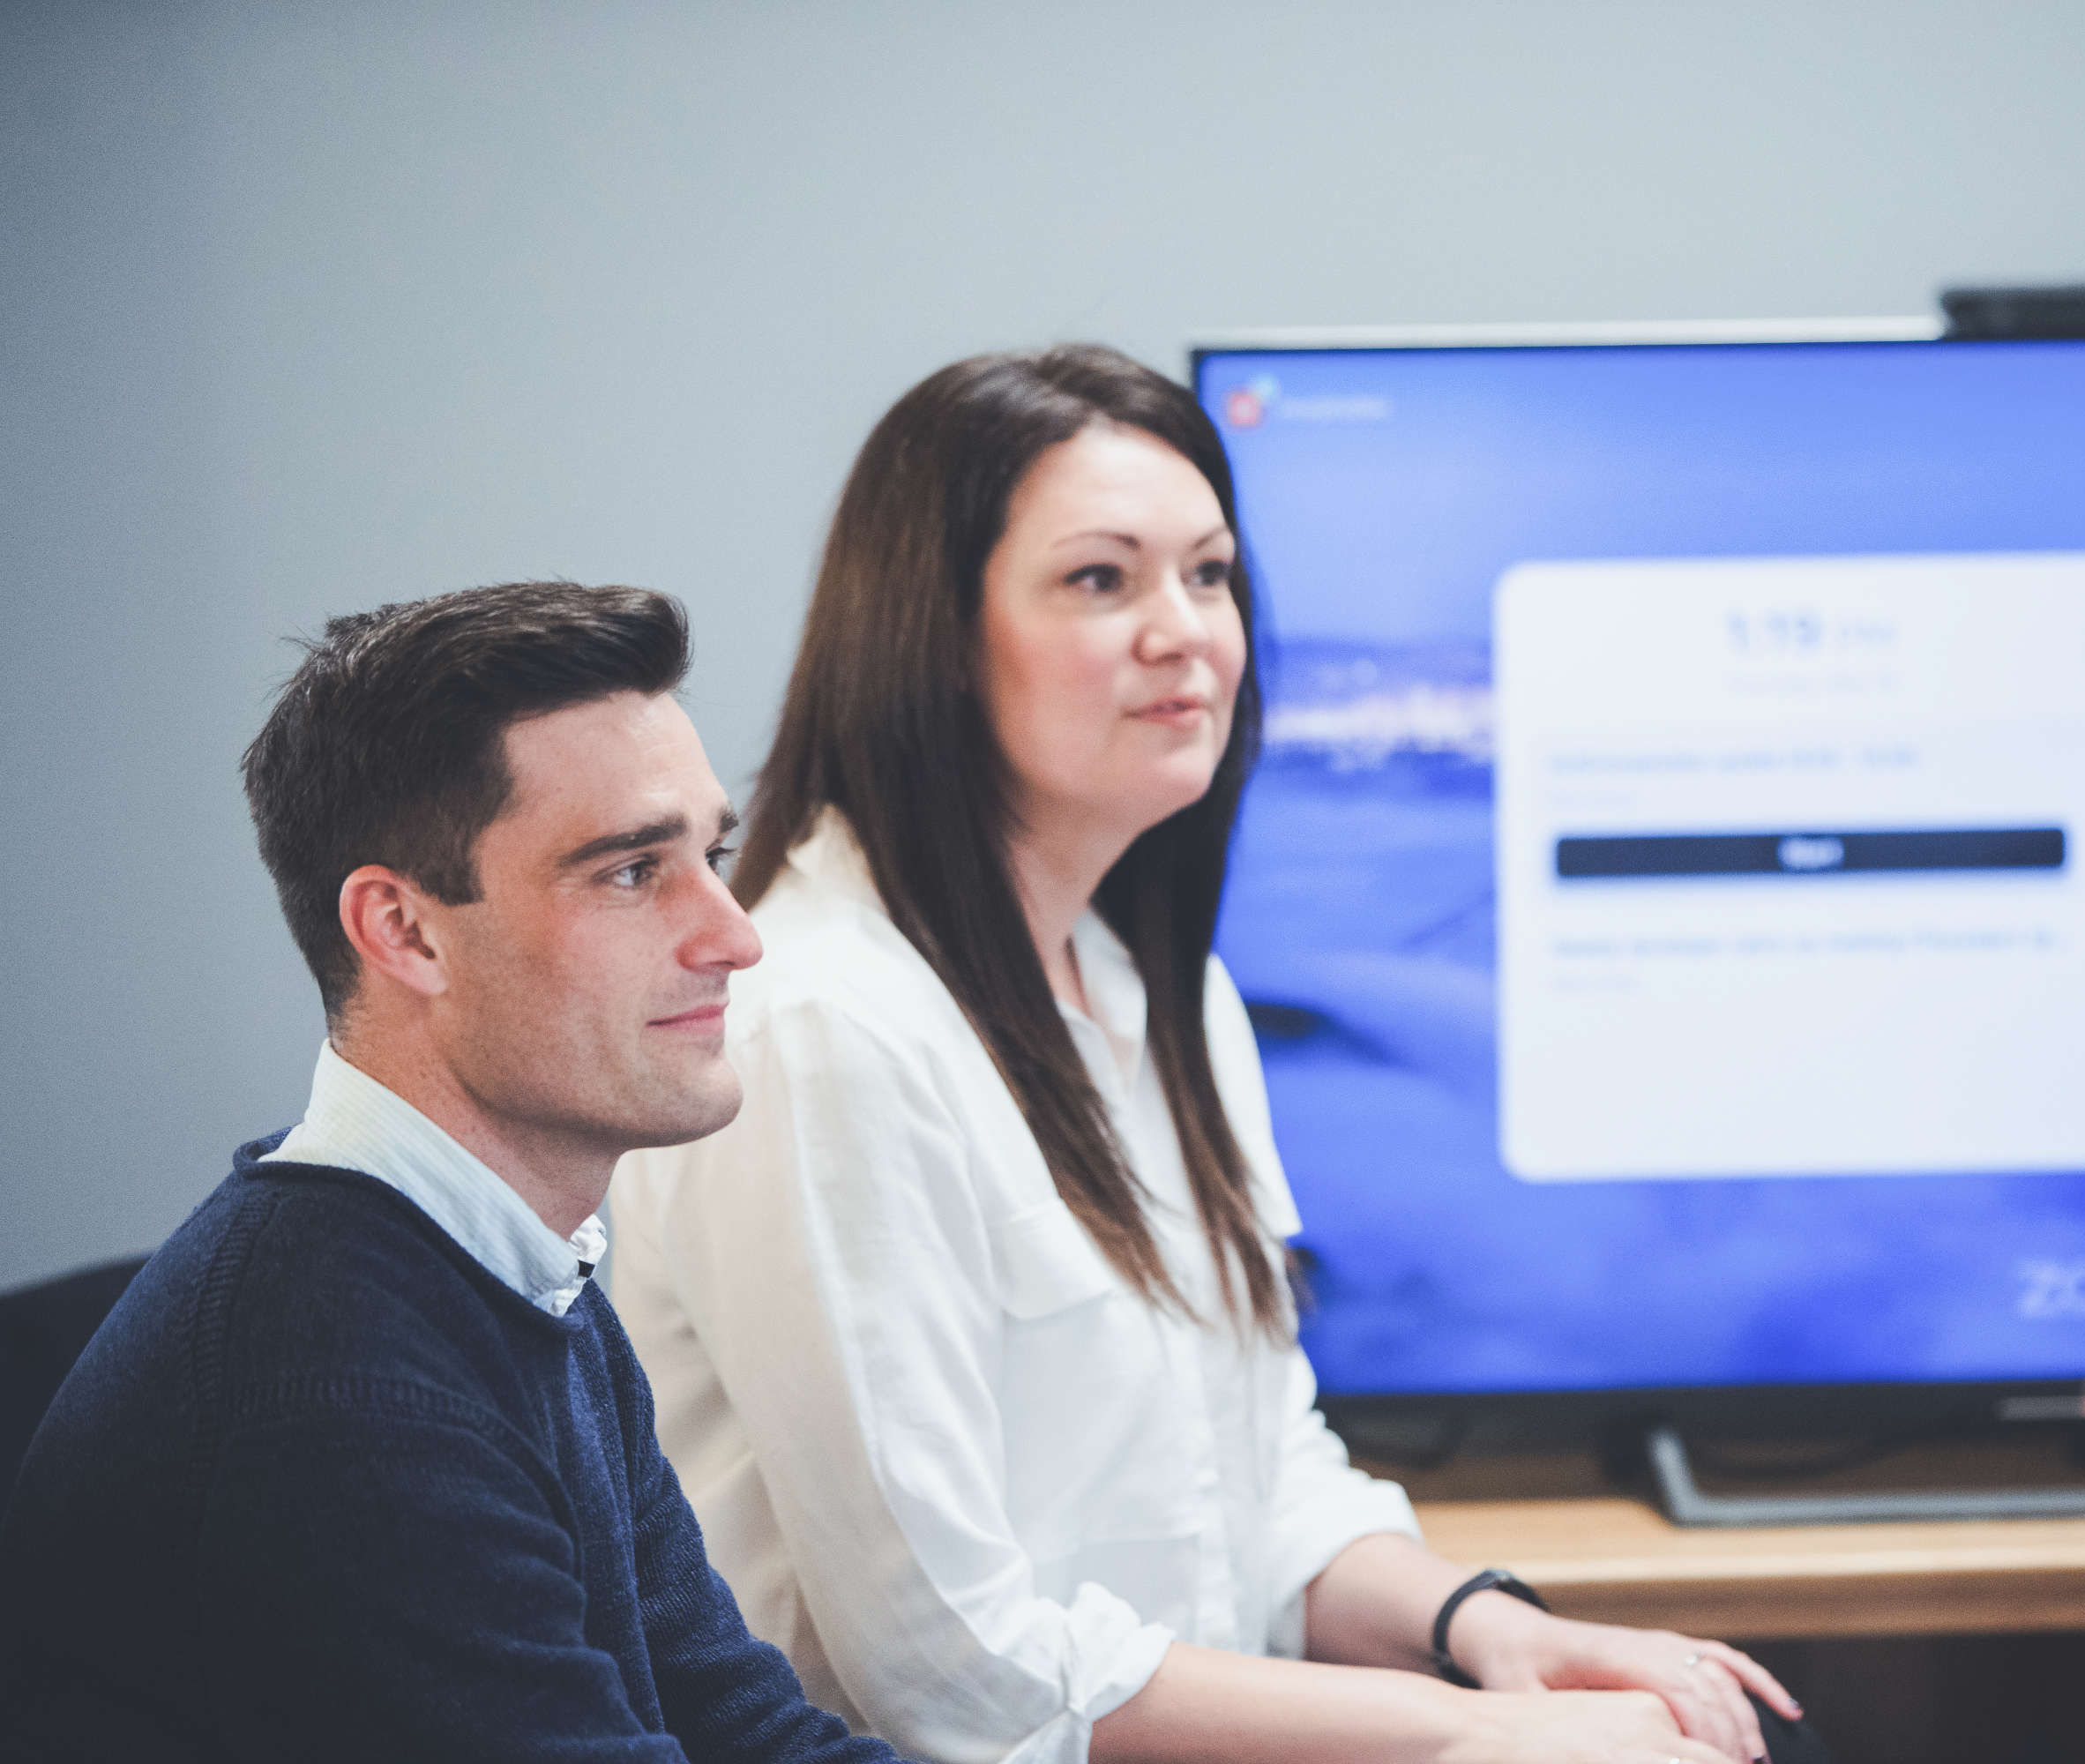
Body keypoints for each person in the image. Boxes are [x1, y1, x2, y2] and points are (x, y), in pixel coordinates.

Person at [608, 348, 1823, 1764]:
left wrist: (1494, 1633)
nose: (1185, 631)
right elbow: (948, 1674)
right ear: (934, 634)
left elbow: (1256, 1484)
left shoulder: (1149, 995)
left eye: (1210, 574)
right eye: (1101, 580)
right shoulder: (825, 1029)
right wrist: (1458, 1737)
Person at [0, 583, 914, 1763]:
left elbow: (745, 1725)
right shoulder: (336, 1398)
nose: (735, 935)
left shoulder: (515, 1262)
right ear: (404, 932)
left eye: (712, 853)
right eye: (634, 871)